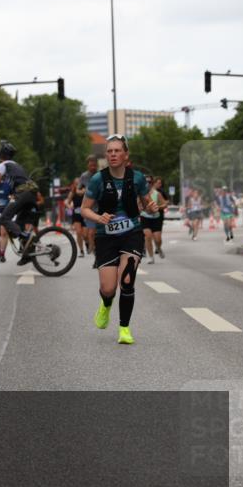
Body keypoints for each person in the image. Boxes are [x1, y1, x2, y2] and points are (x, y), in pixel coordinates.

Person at [81, 135, 157, 345]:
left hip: (131, 234)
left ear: (125, 155)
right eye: (109, 151)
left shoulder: (137, 178)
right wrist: (99, 217)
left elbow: (146, 201)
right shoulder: (98, 179)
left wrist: (151, 207)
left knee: (127, 280)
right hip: (106, 237)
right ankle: (105, 304)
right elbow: (84, 209)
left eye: (117, 151)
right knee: (108, 288)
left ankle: (124, 328)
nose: (113, 154)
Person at [0, 141, 40, 266]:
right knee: (17, 226)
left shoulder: (3, 165)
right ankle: (27, 254)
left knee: (4, 219)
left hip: (22, 194)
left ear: (1, 154)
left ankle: (25, 238)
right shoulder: (17, 165)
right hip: (31, 194)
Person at [141, 177, 167, 262]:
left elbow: (164, 204)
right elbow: (137, 205)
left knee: (157, 239)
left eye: (149, 182)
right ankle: (151, 257)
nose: (147, 184)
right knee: (147, 237)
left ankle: (158, 248)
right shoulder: (141, 194)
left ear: (152, 183)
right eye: (146, 182)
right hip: (145, 217)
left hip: (156, 218)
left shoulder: (157, 194)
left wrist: (157, 207)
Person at [77, 155, 99, 256]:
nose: (93, 167)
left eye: (94, 165)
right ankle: (95, 254)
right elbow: (78, 190)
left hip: (101, 207)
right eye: (91, 165)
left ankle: (98, 251)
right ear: (88, 165)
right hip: (89, 208)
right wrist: (83, 191)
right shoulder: (84, 176)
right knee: (91, 233)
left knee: (99, 234)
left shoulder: (101, 175)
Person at [68, 177, 87, 256]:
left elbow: (81, 193)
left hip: (85, 213)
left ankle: (87, 242)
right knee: (78, 233)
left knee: (85, 235)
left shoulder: (84, 189)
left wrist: (76, 190)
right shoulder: (73, 191)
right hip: (76, 214)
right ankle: (81, 250)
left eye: (78, 182)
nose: (77, 184)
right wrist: (70, 205)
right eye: (76, 183)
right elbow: (68, 201)